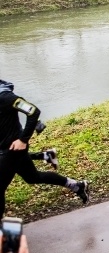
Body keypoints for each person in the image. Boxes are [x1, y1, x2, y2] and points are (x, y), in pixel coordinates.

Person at [0, 80, 89, 218]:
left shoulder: (5, 97)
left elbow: (33, 111)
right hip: (8, 149)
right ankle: (77, 186)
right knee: (32, 177)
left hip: (12, 150)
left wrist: (23, 140)